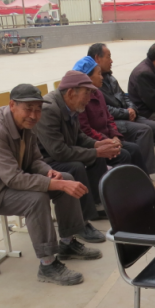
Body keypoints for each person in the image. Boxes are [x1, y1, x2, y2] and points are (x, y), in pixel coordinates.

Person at [0, 84, 102, 285]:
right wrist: (54, 184)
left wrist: (47, 171)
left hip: (3, 181)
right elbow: (14, 178)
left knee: (65, 178)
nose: (33, 115)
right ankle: (48, 265)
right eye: (28, 109)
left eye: (38, 109)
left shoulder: (25, 124)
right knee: (36, 199)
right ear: (12, 105)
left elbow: (34, 160)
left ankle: (67, 243)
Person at [35, 71, 122, 243]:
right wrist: (96, 151)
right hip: (42, 161)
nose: (89, 98)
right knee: (75, 167)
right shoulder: (49, 110)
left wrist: (97, 145)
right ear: (70, 93)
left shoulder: (70, 105)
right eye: (86, 93)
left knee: (96, 158)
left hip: (58, 154)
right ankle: (80, 222)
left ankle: (95, 205)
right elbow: (58, 152)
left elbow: (79, 136)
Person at [88, 43, 155, 177]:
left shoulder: (110, 78)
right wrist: (126, 113)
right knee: (144, 131)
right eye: (108, 57)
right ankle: (144, 174)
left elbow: (124, 96)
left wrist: (131, 108)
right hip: (116, 120)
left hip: (127, 114)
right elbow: (104, 110)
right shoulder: (93, 83)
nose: (111, 61)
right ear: (97, 58)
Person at [72, 56, 155, 191]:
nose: (102, 77)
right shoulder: (82, 100)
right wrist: (107, 141)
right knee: (123, 154)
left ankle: (143, 182)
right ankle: (126, 191)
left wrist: (115, 136)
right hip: (96, 142)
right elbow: (86, 130)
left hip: (108, 138)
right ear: (88, 78)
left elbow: (109, 119)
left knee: (134, 149)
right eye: (98, 74)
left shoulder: (98, 93)